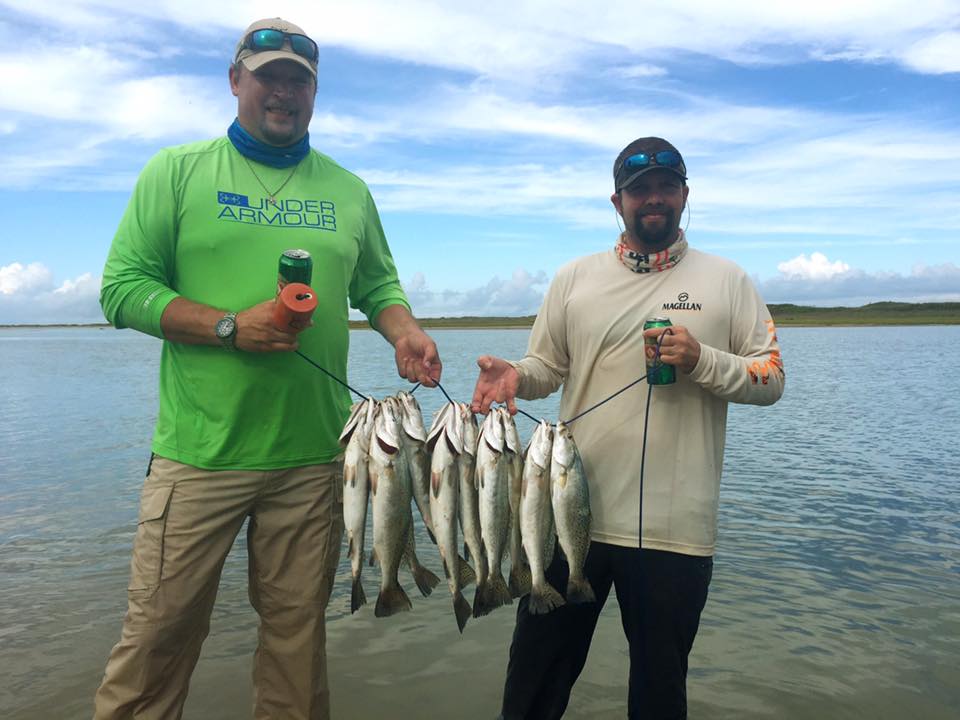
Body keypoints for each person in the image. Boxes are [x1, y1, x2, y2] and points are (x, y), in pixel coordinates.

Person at [93, 18, 441, 720]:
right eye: (269, 77)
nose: (283, 92)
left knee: (296, 643)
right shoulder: (177, 171)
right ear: (235, 82)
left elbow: (378, 287)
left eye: (298, 81)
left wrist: (405, 332)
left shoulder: (348, 190)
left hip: (318, 459)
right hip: (199, 454)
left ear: (314, 93)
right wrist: (228, 327)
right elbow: (122, 289)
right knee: (157, 636)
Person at [471, 137, 785, 719]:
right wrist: (513, 374)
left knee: (659, 700)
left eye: (667, 186)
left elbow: (771, 379)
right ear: (617, 201)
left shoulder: (729, 280)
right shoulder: (573, 278)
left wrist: (702, 359)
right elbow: (549, 368)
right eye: (640, 189)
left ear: (686, 195)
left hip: (676, 533)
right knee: (531, 693)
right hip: (567, 518)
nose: (654, 199)